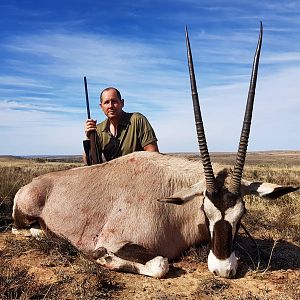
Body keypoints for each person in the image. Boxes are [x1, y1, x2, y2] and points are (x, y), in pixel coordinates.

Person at [84, 87, 159, 163]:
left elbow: (153, 155)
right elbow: (90, 163)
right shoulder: (98, 129)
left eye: (114, 101)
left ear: (122, 103)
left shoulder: (137, 120)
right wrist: (88, 137)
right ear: (101, 107)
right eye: (106, 102)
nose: (110, 106)